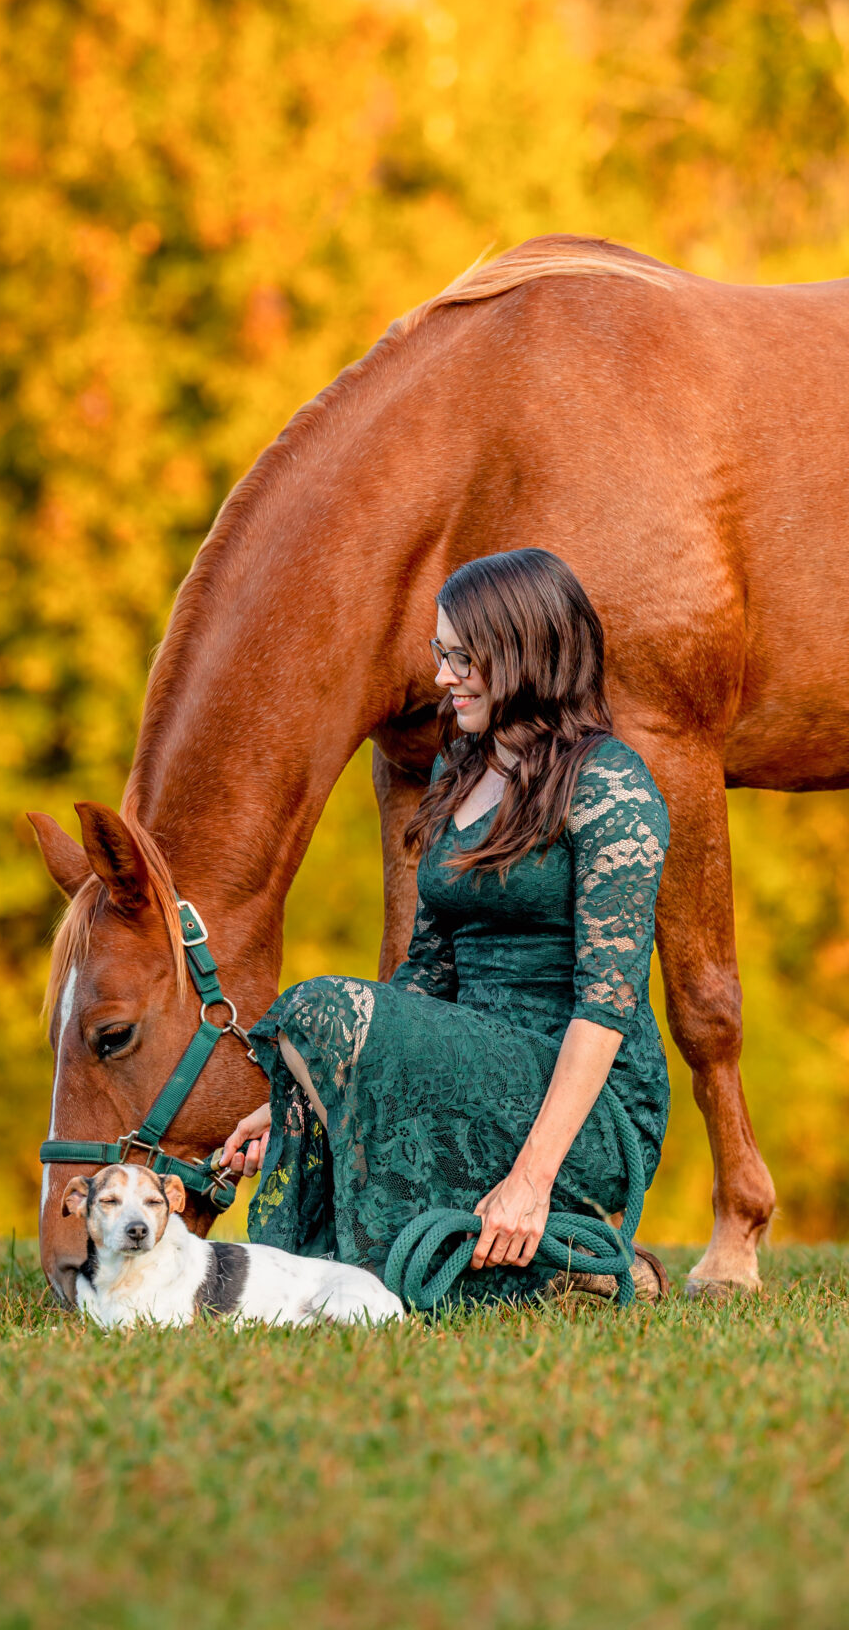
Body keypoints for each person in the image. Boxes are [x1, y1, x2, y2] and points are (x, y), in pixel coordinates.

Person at [219, 547, 673, 1304]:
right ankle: (563, 1270)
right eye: (441, 653)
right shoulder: (456, 768)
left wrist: (530, 1179)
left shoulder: (611, 785)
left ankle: (555, 1225)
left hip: (582, 1102)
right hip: (468, 1064)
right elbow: (427, 973)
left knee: (318, 1006)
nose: (442, 676)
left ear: (525, 654)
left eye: (465, 657)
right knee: (315, 1030)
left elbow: (607, 1005)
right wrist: (308, 1086)